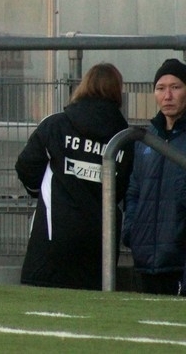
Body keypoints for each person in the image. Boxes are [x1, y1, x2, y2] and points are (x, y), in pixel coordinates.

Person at [16, 63, 133, 291]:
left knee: (40, 303)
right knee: (91, 304)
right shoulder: (125, 139)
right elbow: (123, 188)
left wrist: (42, 192)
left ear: (84, 85)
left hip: (53, 238)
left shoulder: (56, 124)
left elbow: (26, 166)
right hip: (100, 242)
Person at [122, 58, 186, 295]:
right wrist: (132, 231)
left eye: (175, 87)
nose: (167, 95)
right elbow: (134, 191)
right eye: (161, 88)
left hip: (179, 258)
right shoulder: (146, 139)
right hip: (146, 258)